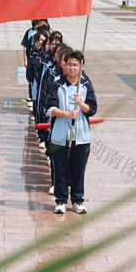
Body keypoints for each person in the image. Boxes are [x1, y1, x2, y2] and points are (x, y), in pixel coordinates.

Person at [44, 50, 97, 214]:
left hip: (80, 136)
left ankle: (77, 200)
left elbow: (92, 109)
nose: (72, 67)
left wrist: (80, 103)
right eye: (69, 64)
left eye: (76, 64)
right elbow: (49, 108)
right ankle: (60, 201)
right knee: (60, 168)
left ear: (80, 66)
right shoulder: (57, 83)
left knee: (78, 169)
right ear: (64, 65)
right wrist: (66, 114)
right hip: (60, 135)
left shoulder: (85, 85)